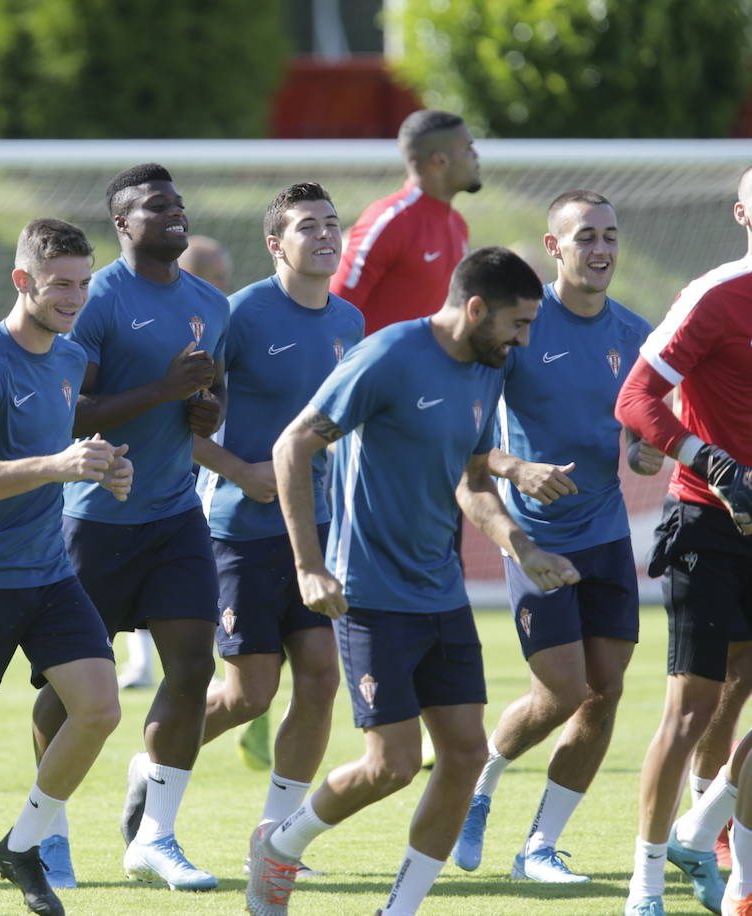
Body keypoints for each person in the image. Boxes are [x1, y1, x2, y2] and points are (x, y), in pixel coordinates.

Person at [247, 247, 580, 916]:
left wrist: (521, 545)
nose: (525, 339)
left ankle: (398, 910)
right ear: (475, 308)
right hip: (370, 595)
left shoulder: (489, 368)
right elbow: (293, 445)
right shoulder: (388, 356)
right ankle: (279, 846)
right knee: (391, 765)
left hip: (442, 593)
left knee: (462, 754)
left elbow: (470, 478)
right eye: (517, 323)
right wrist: (309, 565)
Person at [446, 190, 660, 883]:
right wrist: (518, 468)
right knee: (560, 693)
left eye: (609, 236)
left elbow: (638, 431)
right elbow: (466, 441)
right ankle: (483, 777)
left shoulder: (635, 332)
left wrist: (642, 454)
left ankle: (539, 845)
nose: (600, 249)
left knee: (606, 691)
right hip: (532, 537)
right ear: (554, 247)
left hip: (603, 537)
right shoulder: (522, 324)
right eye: (585, 237)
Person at [0, 217, 128, 916]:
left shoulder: (68, 358)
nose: (74, 297)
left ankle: (21, 846)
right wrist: (58, 466)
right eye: (59, 284)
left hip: (48, 571)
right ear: (22, 282)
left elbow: (50, 458)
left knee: (98, 708)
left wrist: (100, 468)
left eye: (83, 283)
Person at [32, 162, 230, 892]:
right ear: (123, 225)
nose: (173, 212)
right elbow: (66, 412)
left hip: (176, 513)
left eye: (178, 202)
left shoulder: (213, 303)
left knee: (193, 669)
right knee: (69, 689)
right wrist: (161, 392)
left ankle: (156, 836)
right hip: (93, 519)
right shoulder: (96, 302)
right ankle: (46, 830)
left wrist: (204, 413)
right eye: (155, 205)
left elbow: (212, 398)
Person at [192, 183, 361, 874]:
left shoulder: (352, 319)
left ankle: (276, 838)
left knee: (321, 678)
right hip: (241, 526)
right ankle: (158, 760)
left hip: (318, 530)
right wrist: (241, 472)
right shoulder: (238, 316)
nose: (325, 235)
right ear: (275, 244)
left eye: (331, 223)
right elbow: (176, 425)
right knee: (247, 694)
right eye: (307, 226)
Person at [614, 165, 752, 916]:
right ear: (742, 213)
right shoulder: (715, 295)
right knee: (692, 710)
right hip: (706, 521)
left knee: (737, 702)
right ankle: (646, 881)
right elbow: (634, 398)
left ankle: (707, 831)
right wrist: (715, 463)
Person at [117, 234, 233, 694]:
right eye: (217, 276)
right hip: (153, 482)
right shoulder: (147, 324)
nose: (225, 285)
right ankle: (139, 663)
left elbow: (218, 396)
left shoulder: (221, 320)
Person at [331, 109, 480, 334]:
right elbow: (331, 313)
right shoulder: (389, 222)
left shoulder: (458, 224)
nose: (476, 157)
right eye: (468, 149)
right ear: (440, 160)